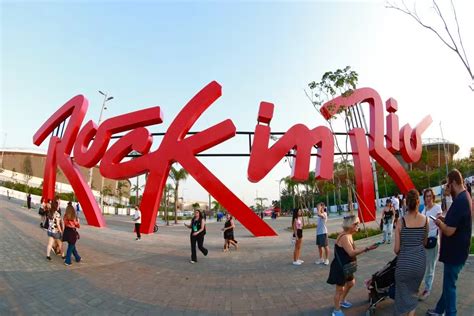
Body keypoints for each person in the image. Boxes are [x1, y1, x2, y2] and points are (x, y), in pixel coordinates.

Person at [427, 169, 472, 316]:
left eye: (448, 184)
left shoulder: (460, 201)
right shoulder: (464, 197)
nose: (447, 187)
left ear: (453, 182)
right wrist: (445, 219)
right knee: (448, 285)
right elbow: (456, 222)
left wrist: (440, 223)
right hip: (458, 251)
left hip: (455, 253)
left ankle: (450, 313)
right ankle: (439, 310)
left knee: (450, 287)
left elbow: (449, 231)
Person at [327, 215, 378, 316]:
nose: (358, 226)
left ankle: (342, 300)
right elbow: (351, 252)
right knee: (339, 289)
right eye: (356, 224)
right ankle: (336, 310)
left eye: (358, 223)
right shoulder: (345, 237)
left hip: (347, 266)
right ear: (350, 225)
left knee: (351, 283)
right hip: (340, 267)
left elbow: (352, 250)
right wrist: (366, 248)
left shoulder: (349, 234)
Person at [393, 189, 428, 316]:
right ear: (418, 202)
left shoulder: (400, 222)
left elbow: (396, 249)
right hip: (419, 263)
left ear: (406, 203)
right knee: (413, 294)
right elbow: (424, 243)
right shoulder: (425, 220)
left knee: (402, 296)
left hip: (404, 264)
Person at [419, 188, 442, 301]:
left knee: (430, 266)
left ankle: (427, 289)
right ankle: (425, 286)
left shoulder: (437, 208)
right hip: (425, 241)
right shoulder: (424, 210)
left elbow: (440, 224)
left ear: (433, 197)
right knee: (424, 265)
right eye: (426, 196)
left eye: (429, 196)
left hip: (433, 240)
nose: (428, 198)